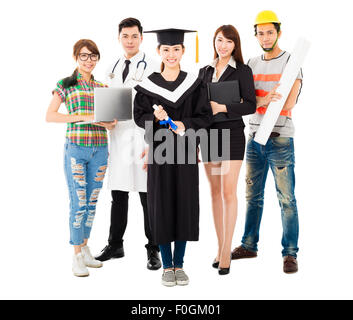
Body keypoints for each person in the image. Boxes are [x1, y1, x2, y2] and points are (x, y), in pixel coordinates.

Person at [133, 28, 212, 286]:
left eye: (176, 49)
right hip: (159, 152)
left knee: (184, 204)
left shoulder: (194, 83)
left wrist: (184, 123)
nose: (171, 54)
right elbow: (138, 117)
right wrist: (153, 120)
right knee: (162, 205)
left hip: (186, 151)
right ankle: (167, 265)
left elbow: (205, 118)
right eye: (166, 50)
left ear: (183, 51)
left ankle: (180, 264)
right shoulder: (148, 85)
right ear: (159, 51)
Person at [231, 10, 303, 274]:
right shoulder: (250, 63)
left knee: (287, 199)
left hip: (280, 139)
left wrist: (259, 100)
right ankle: (249, 245)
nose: (265, 37)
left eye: (270, 32)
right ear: (256, 36)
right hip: (254, 140)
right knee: (252, 196)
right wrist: (263, 99)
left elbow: (289, 101)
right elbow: (244, 103)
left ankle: (290, 253)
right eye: (260, 33)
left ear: (279, 33)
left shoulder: (292, 62)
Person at [95, 18, 162, 271]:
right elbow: (109, 100)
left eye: (134, 36)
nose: (130, 40)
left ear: (142, 37)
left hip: (143, 136)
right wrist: (107, 121)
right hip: (119, 136)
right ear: (119, 37)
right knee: (118, 194)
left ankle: (154, 248)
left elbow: (158, 103)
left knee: (148, 196)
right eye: (125, 36)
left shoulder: (154, 66)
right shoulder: (111, 65)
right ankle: (115, 245)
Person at [46, 39, 117, 277]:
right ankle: (76, 255)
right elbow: (51, 116)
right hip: (76, 148)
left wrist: (105, 121)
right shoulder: (65, 84)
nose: (89, 60)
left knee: (92, 202)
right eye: (84, 56)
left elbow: (112, 124)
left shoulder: (103, 88)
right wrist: (82, 117)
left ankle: (85, 247)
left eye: (93, 56)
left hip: (100, 149)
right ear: (76, 57)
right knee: (78, 204)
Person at [198, 25, 256, 275]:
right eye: (219, 40)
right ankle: (221, 246)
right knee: (214, 193)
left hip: (232, 133)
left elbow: (251, 105)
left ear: (235, 45)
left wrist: (223, 108)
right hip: (209, 134)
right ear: (214, 42)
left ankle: (226, 253)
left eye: (228, 42)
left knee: (229, 192)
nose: (223, 46)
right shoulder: (204, 71)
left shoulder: (242, 70)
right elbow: (197, 108)